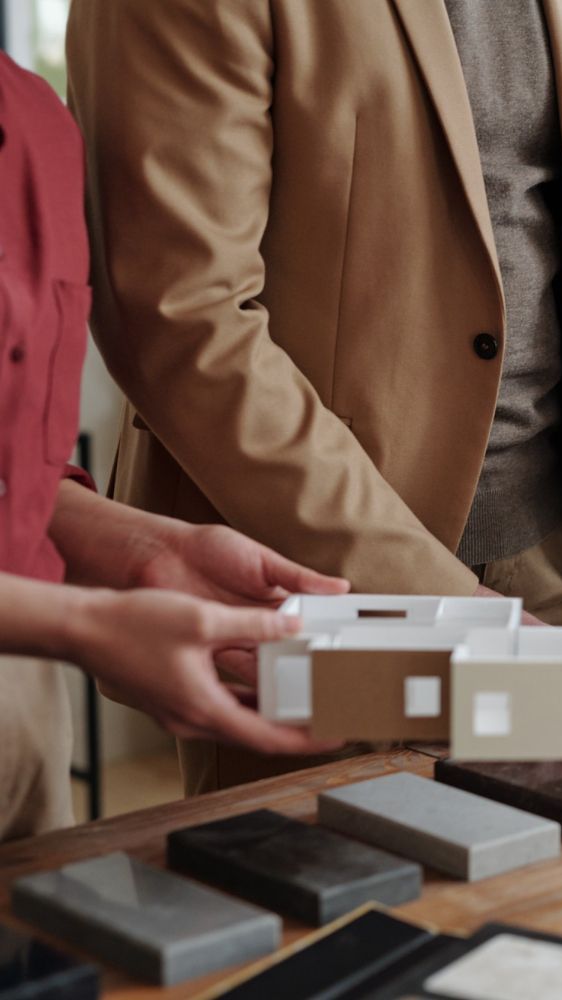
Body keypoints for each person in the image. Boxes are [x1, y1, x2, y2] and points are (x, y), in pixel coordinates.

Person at [65, 0, 562, 794]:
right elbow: (180, 321)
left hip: (550, 570)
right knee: (335, 905)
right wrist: (437, 603)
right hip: (324, 583)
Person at [0, 51, 348, 841]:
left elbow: (15, 468)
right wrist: (81, 627)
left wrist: (138, 551)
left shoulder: (36, 123)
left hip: (23, 715)